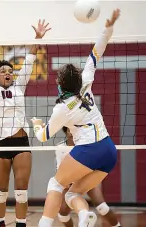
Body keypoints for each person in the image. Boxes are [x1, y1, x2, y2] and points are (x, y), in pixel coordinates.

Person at [31, 9, 121, 227]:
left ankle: (43, 225)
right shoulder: (86, 79)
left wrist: (36, 125)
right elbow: (97, 51)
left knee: (56, 184)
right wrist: (108, 27)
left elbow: (43, 136)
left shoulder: (62, 108)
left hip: (89, 148)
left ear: (61, 84)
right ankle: (84, 217)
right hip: (109, 150)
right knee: (73, 195)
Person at [0, 20, 51, 227]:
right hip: (2, 144)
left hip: (21, 143)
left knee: (21, 192)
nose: (8, 73)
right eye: (3, 71)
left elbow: (30, 61)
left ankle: (21, 224)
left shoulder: (19, 86)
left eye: (10, 71)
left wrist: (38, 39)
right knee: (1, 192)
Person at [56, 127, 121, 227]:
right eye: (69, 129)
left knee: (102, 208)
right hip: (69, 181)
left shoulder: (86, 144)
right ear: (66, 131)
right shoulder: (60, 147)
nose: (71, 132)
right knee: (62, 215)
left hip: (87, 179)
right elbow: (60, 170)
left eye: (73, 129)